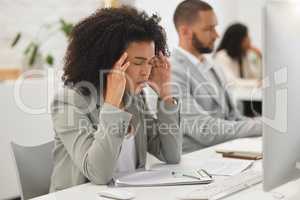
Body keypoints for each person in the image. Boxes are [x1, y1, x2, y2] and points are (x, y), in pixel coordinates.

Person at [50, 6, 181, 192]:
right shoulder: (68, 102)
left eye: (150, 62)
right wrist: (112, 104)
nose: (146, 71)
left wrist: (166, 95)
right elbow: (99, 173)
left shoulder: (133, 97)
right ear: (108, 61)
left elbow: (171, 154)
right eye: (138, 62)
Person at [170, 0, 261, 154]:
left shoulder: (213, 66)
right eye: (209, 29)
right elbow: (205, 130)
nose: (216, 35)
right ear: (185, 32)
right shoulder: (172, 71)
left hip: (227, 152)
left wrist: (269, 125)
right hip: (197, 161)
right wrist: (266, 126)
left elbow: (233, 117)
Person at [214, 23, 262, 88]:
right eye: (246, 37)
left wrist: (260, 57)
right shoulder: (222, 56)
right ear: (237, 40)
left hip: (244, 95)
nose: (250, 40)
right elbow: (231, 82)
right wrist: (257, 83)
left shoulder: (243, 56)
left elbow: (253, 76)